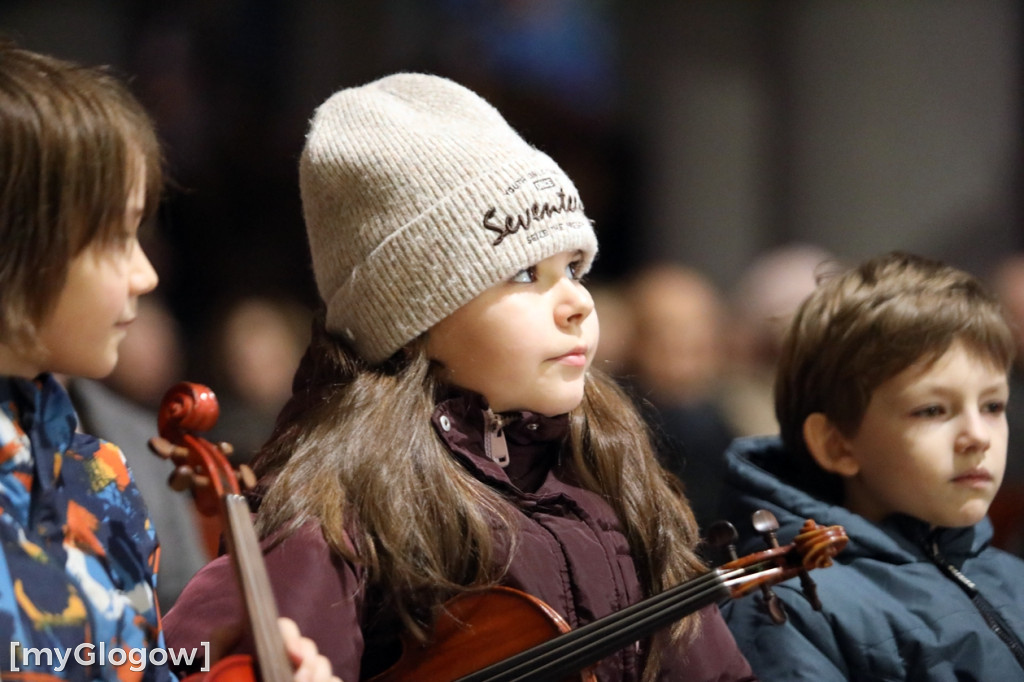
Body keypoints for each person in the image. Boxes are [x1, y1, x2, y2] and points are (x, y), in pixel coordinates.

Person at [164, 73, 756, 682]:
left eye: (574, 267)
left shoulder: (608, 471)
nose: (577, 302)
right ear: (413, 318)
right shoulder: (342, 506)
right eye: (525, 273)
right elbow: (181, 659)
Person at [0, 40, 337, 681]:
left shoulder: (99, 473)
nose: (145, 274)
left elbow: (130, 661)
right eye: (113, 237)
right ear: (18, 242)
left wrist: (212, 660)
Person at [719, 251, 1024, 680]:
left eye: (993, 405)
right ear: (838, 444)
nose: (979, 435)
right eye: (933, 410)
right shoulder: (792, 609)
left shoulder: (1010, 576)